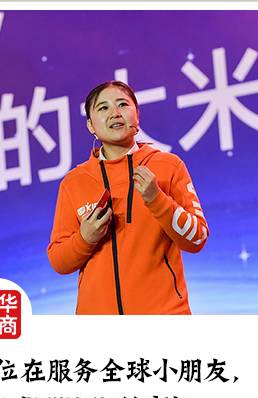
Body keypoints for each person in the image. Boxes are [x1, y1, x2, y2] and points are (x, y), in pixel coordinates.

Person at [47, 81, 209, 314]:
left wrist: (157, 199)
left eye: (123, 104)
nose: (115, 112)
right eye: (103, 108)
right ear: (91, 125)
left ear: (137, 116)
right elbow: (59, 261)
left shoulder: (168, 166)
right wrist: (85, 238)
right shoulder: (74, 182)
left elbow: (197, 238)